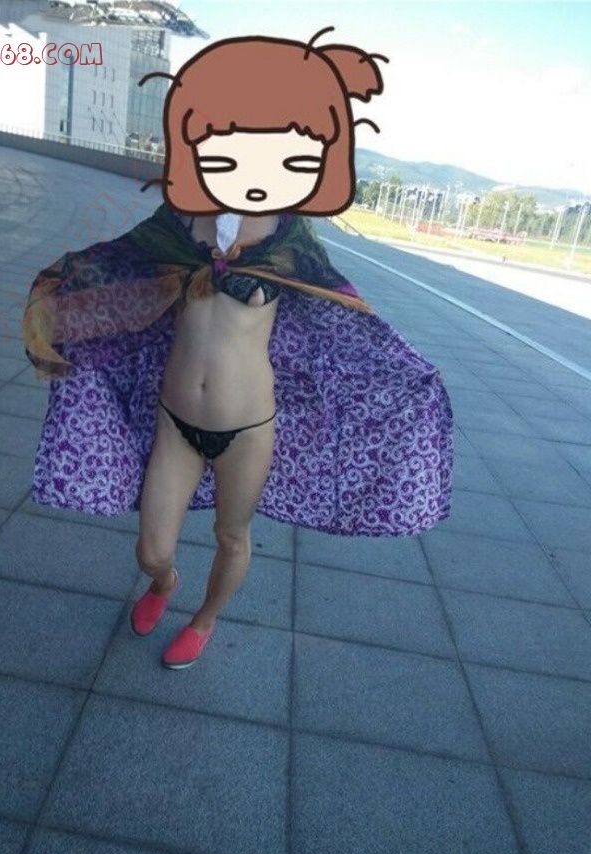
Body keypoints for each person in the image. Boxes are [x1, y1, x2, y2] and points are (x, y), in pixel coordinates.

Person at [22, 31, 454, 670]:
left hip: (248, 428)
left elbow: (341, 307)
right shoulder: (178, 222)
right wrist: (60, 302)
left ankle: (205, 619)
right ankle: (164, 583)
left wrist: (407, 374)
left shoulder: (289, 236)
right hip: (175, 420)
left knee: (232, 535)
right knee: (151, 548)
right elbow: (118, 266)